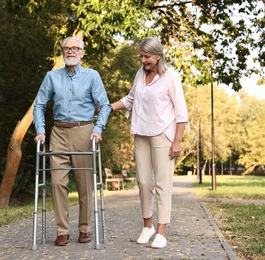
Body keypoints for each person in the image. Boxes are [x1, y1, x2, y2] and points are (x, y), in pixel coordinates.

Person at [110, 36, 189, 249]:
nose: (143, 61)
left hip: (163, 134)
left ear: (158, 56)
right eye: (141, 56)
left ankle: (162, 231)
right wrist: (109, 107)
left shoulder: (170, 77)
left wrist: (177, 141)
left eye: (147, 57)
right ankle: (148, 226)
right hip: (141, 132)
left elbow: (181, 113)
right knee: (144, 181)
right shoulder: (139, 74)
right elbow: (130, 99)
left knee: (162, 183)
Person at [33, 36, 111, 246]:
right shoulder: (51, 77)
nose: (70, 51)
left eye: (75, 48)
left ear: (82, 52)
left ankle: (84, 229)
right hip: (58, 132)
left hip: (83, 131)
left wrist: (98, 129)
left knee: (84, 184)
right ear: (62, 52)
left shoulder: (92, 76)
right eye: (67, 48)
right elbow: (39, 105)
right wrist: (40, 130)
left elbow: (104, 105)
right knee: (57, 182)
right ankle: (62, 230)